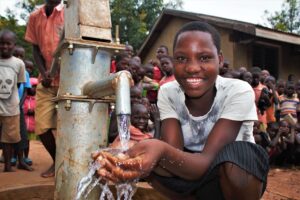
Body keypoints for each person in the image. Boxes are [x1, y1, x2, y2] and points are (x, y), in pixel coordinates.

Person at [94, 21, 269, 199]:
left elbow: (206, 161)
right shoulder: (168, 91)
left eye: (204, 58)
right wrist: (131, 153)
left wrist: (160, 150)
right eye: (181, 58)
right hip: (188, 171)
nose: (192, 68)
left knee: (239, 154)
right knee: (150, 158)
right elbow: (174, 151)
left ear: (220, 59)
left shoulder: (238, 90)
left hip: (229, 176)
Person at [24, 0, 64, 178]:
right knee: (41, 126)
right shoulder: (34, 17)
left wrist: (56, 71)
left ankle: (67, 163)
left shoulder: (69, 13)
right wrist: (44, 73)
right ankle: (58, 161)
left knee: (68, 125)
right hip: (46, 81)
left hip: (69, 80)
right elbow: (35, 49)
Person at [0, 29, 32, 172]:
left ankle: (8, 166)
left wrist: (15, 102)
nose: (5, 47)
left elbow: (19, 85)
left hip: (11, 107)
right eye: (1, 43)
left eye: (8, 43)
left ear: (14, 45)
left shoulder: (18, 64)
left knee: (10, 137)